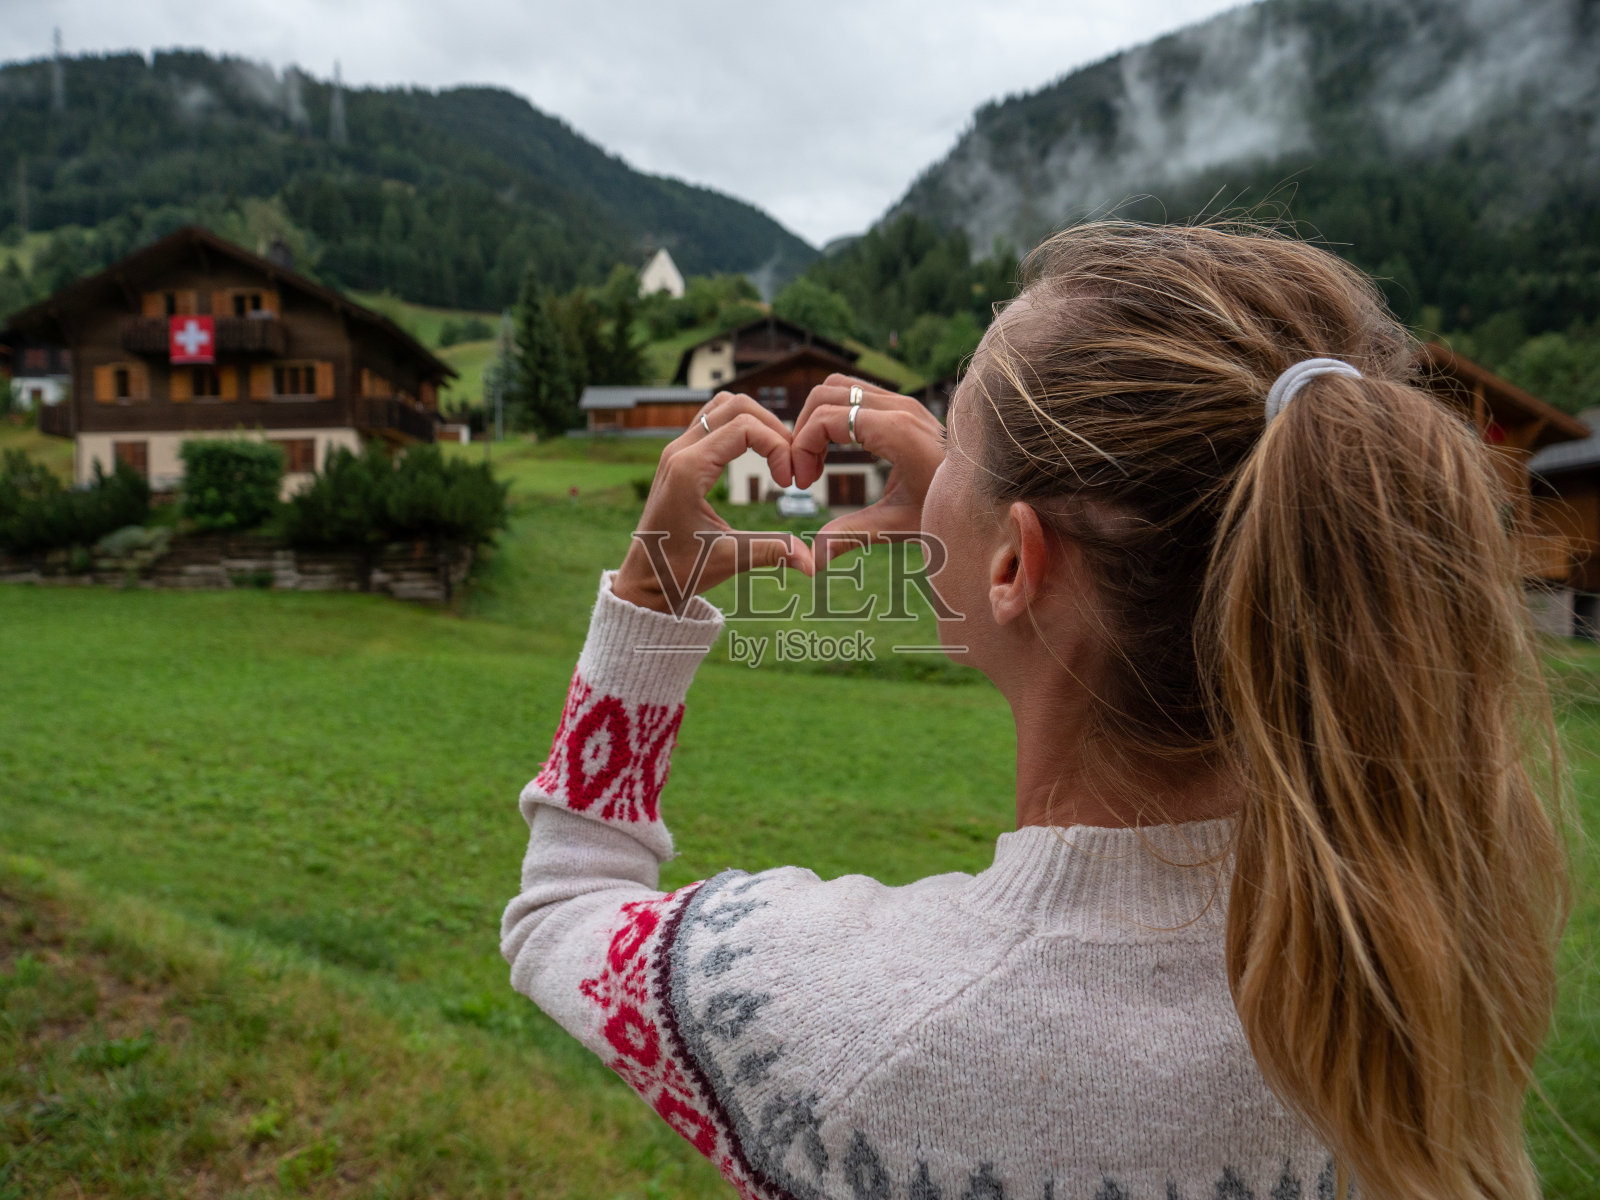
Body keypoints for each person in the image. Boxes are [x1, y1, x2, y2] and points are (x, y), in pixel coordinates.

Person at [500, 222, 1568, 1200]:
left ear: (1017, 557)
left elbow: (562, 912)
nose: (927, 459)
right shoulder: (1404, 980)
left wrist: (651, 598)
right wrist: (986, 519)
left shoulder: (841, 1024)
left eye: (951, 441)